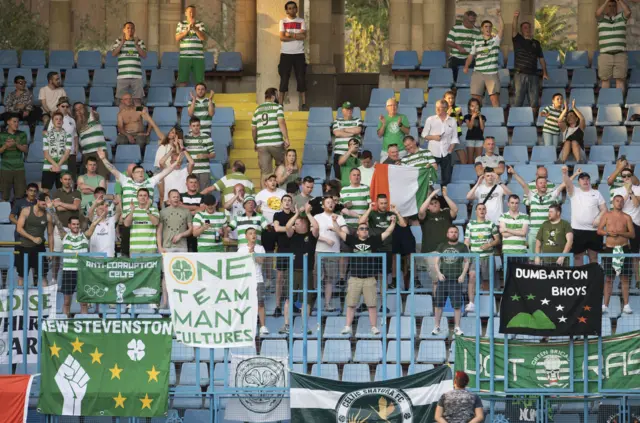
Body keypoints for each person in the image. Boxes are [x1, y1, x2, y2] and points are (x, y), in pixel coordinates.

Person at [334, 213, 396, 336]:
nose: (364, 231)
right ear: (357, 231)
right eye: (362, 229)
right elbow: (338, 231)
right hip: (355, 278)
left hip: (369, 278)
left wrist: (393, 223)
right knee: (351, 304)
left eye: (366, 229)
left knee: (372, 305)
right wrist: (335, 221)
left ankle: (373, 327)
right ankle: (347, 326)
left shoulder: (373, 241)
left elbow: (387, 233)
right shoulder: (352, 240)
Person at [97, 149, 179, 216]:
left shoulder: (150, 182)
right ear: (132, 174)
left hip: (146, 219)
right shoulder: (126, 181)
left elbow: (165, 172)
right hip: (129, 219)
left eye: (142, 171)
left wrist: (177, 162)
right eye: (138, 172)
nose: (140, 173)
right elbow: (112, 169)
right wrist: (103, 159)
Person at [51, 210, 100, 316]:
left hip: (82, 272)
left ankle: (84, 325)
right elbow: (58, 223)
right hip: (68, 273)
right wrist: (51, 209)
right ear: (69, 225)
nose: (76, 226)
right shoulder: (65, 236)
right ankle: (65, 324)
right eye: (73, 224)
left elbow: (94, 224)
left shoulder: (85, 236)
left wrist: (103, 213)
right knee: (67, 302)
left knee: (84, 303)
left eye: (77, 224)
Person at [278, 204, 318, 335]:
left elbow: (316, 227)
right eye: (296, 221)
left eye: (299, 222)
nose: (296, 223)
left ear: (305, 224)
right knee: (289, 298)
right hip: (293, 271)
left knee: (305, 300)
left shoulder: (311, 235)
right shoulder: (292, 234)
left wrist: (308, 213)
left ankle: (304, 326)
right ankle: (286, 325)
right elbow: (288, 227)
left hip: (307, 272)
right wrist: (295, 214)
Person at [509, 166, 565, 253]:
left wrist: (571, 174)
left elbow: (563, 185)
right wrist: (514, 173)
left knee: (546, 257)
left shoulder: (551, 196)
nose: (543, 184)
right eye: (541, 182)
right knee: (532, 257)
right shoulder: (532, 196)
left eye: (545, 182)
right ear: (536, 185)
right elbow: (523, 184)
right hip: (534, 230)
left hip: (548, 230)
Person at [359, 196, 407, 289]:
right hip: (373, 247)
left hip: (387, 248)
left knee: (383, 275)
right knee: (372, 275)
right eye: (381, 203)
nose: (384, 205)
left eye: (385, 203)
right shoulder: (372, 213)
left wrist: (396, 212)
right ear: (377, 203)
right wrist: (369, 209)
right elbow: (361, 221)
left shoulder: (391, 214)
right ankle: (370, 298)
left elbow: (403, 224)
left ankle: (383, 300)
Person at [598, 194, 635, 314]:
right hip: (609, 250)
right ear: (613, 202)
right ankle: (605, 305)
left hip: (623, 249)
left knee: (625, 278)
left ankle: (626, 305)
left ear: (623, 204)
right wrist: (608, 233)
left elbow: (632, 234)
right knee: (609, 278)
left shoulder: (627, 217)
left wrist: (620, 233)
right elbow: (599, 230)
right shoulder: (607, 215)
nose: (619, 203)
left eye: (621, 201)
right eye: (617, 201)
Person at [564, 167, 607, 264]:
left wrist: (598, 218)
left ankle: (594, 279)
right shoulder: (574, 191)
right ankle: (579, 279)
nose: (585, 181)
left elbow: (604, 209)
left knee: (594, 257)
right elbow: (567, 183)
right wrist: (566, 174)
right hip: (578, 230)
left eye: (587, 179)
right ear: (578, 182)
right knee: (578, 257)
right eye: (583, 179)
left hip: (594, 231)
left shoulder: (596, 193)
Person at [433, 226, 470, 336]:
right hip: (443, 279)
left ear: (458, 234)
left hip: (456, 279)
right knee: (438, 304)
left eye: (455, 232)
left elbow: (467, 262)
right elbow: (436, 262)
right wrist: (439, 274)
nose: (453, 234)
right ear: (447, 234)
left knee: (457, 305)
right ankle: (436, 326)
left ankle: (457, 327)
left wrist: (463, 275)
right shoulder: (442, 246)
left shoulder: (463, 246)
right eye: (451, 232)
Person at [418, 188, 458, 289]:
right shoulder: (425, 216)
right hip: (431, 251)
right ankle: (437, 304)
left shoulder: (445, 213)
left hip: (447, 251)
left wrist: (445, 196)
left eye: (436, 202)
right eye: (431, 203)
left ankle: (448, 304)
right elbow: (421, 210)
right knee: (436, 280)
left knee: (450, 279)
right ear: (428, 206)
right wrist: (430, 196)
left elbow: (455, 210)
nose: (434, 204)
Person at [314, 196, 349, 312]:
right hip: (319, 251)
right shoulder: (317, 217)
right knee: (317, 278)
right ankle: (314, 303)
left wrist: (335, 228)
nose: (330, 204)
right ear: (323, 205)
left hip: (334, 252)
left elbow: (346, 233)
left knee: (330, 279)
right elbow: (313, 234)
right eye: (328, 202)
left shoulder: (339, 218)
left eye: (332, 202)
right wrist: (325, 239)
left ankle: (327, 304)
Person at [464, 10, 504, 108]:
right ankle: (478, 121)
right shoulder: (476, 41)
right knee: (476, 100)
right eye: (486, 26)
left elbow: (502, 29)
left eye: (490, 27)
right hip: (478, 73)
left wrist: (499, 16)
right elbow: (470, 55)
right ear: (482, 29)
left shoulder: (495, 41)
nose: (488, 28)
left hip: (492, 73)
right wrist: (466, 66)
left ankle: (497, 121)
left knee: (494, 99)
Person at [464, 203, 499, 313]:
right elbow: (466, 242)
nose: (482, 211)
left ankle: (487, 304)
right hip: (475, 257)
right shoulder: (470, 225)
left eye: (483, 209)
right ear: (475, 212)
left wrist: (489, 245)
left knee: (486, 281)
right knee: (472, 276)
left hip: (487, 257)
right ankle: (471, 303)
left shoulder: (490, 224)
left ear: (486, 211)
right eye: (479, 209)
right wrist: (467, 255)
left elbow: (497, 240)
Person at [252, 88, 290, 186]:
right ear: (273, 97)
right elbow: (281, 122)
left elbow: (253, 129)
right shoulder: (277, 107)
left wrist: (256, 142)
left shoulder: (257, 109)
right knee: (282, 163)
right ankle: (278, 185)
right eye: (277, 96)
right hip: (276, 142)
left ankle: (265, 195)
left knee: (265, 172)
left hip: (262, 144)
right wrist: (286, 138)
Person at [512, 10, 548, 111]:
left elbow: (541, 58)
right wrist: (515, 17)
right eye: (525, 28)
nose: (527, 29)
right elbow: (513, 28)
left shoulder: (536, 43)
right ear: (521, 30)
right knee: (518, 100)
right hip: (520, 74)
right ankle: (516, 121)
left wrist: (545, 72)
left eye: (529, 27)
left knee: (534, 101)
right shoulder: (517, 39)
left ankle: (532, 122)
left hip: (533, 74)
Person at [15, 193, 54, 287]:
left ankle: (45, 300)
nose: (45, 206)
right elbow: (19, 229)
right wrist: (33, 238)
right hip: (24, 247)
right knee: (22, 276)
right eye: (43, 204)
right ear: (38, 201)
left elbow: (50, 234)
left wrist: (51, 251)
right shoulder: (26, 211)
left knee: (43, 276)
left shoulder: (48, 215)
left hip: (39, 249)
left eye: (47, 205)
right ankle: (21, 299)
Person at [50, 173, 82, 284]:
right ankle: (54, 279)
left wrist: (62, 203)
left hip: (74, 229)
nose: (67, 181)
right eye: (65, 179)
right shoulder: (56, 192)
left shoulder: (77, 192)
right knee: (57, 255)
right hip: (60, 227)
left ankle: (77, 279)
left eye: (69, 179)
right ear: (61, 180)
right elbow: (58, 208)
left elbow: (75, 207)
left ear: (72, 180)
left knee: (75, 255)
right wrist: (69, 206)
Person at [237, 227, 269, 336]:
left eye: (254, 233)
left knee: (260, 303)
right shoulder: (241, 250)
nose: (253, 235)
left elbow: (261, 261)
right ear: (246, 236)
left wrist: (253, 253)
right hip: (245, 280)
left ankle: (263, 326)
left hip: (258, 279)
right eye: (250, 233)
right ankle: (246, 327)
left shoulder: (260, 248)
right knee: (245, 304)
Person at [421, 99, 459, 185]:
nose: (437, 109)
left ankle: (445, 196)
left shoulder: (452, 120)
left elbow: (455, 137)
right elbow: (424, 135)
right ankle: (431, 195)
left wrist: (451, 148)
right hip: (433, 152)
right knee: (430, 176)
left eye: (440, 108)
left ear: (446, 109)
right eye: (436, 107)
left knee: (446, 178)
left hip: (446, 152)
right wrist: (433, 137)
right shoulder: (430, 119)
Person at [278, 1, 307, 109]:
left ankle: (304, 104)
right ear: (286, 10)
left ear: (296, 9)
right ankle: (280, 104)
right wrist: (296, 36)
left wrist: (290, 34)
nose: (292, 10)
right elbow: (282, 38)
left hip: (299, 54)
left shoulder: (301, 21)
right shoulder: (283, 21)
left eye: (293, 8)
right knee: (284, 78)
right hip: (286, 54)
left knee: (301, 78)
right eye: (289, 8)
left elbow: (303, 36)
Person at [596, 0, 631, 91]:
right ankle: (606, 103)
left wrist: (619, 0)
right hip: (605, 55)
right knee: (605, 80)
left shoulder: (621, 17)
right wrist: (606, 1)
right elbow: (597, 13)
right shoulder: (602, 18)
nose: (612, 8)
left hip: (620, 54)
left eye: (614, 6)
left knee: (620, 80)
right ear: (606, 7)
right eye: (609, 6)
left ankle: (619, 103)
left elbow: (628, 12)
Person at [111, 21, 147, 104]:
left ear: (134, 30)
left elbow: (144, 55)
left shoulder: (139, 41)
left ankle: (139, 116)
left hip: (137, 76)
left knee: (138, 100)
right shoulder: (118, 41)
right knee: (121, 100)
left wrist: (136, 45)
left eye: (132, 28)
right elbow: (113, 54)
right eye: (128, 28)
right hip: (122, 76)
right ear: (124, 30)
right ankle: (121, 117)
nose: (130, 30)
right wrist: (122, 43)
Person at [272, 194, 295, 317]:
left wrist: (286, 228)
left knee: (292, 278)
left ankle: (291, 303)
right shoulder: (277, 215)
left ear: (292, 203)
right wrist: (290, 228)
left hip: (294, 250)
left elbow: (298, 229)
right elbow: (276, 228)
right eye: (284, 200)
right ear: (281, 203)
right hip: (281, 249)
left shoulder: (294, 215)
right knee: (280, 278)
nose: (287, 202)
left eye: (289, 200)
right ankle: (277, 305)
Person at [74, 103, 109, 180]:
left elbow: (96, 116)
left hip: (100, 151)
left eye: (80, 108)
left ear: (85, 108)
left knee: (102, 176)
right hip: (86, 153)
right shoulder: (76, 123)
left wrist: (94, 113)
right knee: (89, 178)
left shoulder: (91, 115)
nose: (79, 111)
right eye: (76, 110)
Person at [175, 5, 207, 86]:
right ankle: (182, 98)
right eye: (190, 12)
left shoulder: (200, 24)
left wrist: (195, 28)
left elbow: (203, 38)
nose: (191, 14)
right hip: (184, 57)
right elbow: (177, 38)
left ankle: (199, 98)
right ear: (186, 13)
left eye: (193, 12)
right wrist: (187, 30)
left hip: (198, 57)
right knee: (182, 81)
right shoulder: (181, 24)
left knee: (200, 81)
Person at [41, 112, 72, 194]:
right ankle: (46, 206)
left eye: (60, 119)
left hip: (63, 166)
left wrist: (58, 166)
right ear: (52, 121)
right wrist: (56, 165)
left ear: (63, 121)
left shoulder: (68, 135)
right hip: (48, 166)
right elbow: (46, 154)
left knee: (63, 190)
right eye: (56, 119)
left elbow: (67, 153)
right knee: (46, 190)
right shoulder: (46, 134)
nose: (58, 121)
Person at [48, 97, 78, 180]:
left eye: (67, 106)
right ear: (58, 106)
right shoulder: (53, 119)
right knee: (60, 177)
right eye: (62, 106)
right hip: (59, 152)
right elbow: (49, 135)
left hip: (71, 152)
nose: (65, 108)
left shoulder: (72, 120)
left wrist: (76, 147)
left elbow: (75, 135)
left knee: (71, 175)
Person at [332, 101, 363, 180]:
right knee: (340, 178)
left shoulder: (357, 120)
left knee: (356, 177)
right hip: (340, 153)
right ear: (342, 110)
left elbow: (358, 130)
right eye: (347, 109)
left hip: (355, 153)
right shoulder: (337, 121)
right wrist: (352, 134)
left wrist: (344, 129)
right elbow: (337, 133)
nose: (350, 110)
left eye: (351, 109)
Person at [446, 10, 480, 82]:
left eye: (474, 21)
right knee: (452, 66)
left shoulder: (477, 31)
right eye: (471, 21)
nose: (473, 24)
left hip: (470, 58)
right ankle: (454, 85)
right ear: (465, 20)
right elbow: (448, 41)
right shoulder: (455, 28)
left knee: (477, 68)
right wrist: (458, 47)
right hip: (456, 57)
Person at [0, 115, 28, 201]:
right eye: (14, 121)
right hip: (5, 168)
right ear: (8, 122)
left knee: (20, 195)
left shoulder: (22, 134)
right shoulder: (1, 135)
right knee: (4, 195)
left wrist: (16, 144)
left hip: (19, 168)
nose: (16, 124)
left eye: (17, 122)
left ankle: (18, 213)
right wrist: (5, 146)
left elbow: (25, 149)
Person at [124, 188, 160, 255]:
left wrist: (147, 210)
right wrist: (132, 211)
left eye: (145, 195)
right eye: (140, 195)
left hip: (150, 249)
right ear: (137, 198)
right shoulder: (131, 210)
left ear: (148, 198)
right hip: (135, 249)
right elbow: (126, 224)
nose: (142, 197)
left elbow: (156, 222)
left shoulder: (154, 210)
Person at [157, 189, 193, 253]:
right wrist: (159, 247)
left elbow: (191, 230)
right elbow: (159, 231)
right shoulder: (162, 212)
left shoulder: (186, 211)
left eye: (177, 197)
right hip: (167, 247)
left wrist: (181, 235)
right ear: (169, 199)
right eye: (174, 197)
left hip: (182, 247)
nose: (176, 198)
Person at [183, 116, 215, 189]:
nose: (196, 127)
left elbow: (213, 154)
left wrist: (205, 155)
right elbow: (182, 151)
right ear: (190, 126)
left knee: (204, 193)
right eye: (193, 126)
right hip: (191, 170)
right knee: (192, 193)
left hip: (204, 170)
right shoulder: (186, 138)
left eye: (197, 125)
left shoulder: (207, 137)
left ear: (200, 126)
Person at [499, 195, 529, 269]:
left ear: (519, 204)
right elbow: (504, 234)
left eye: (516, 203)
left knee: (521, 279)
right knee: (508, 278)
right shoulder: (503, 216)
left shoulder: (525, 216)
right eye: (512, 203)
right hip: (507, 252)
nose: (514, 205)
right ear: (508, 204)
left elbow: (523, 233)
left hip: (521, 252)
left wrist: (507, 229)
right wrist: (518, 231)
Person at [377, 98, 410, 163]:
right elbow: (379, 135)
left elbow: (407, 132)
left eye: (395, 105)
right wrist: (383, 124)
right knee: (384, 171)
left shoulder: (403, 117)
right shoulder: (383, 118)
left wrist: (400, 125)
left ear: (397, 107)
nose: (393, 107)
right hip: (386, 151)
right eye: (390, 105)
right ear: (386, 108)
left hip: (400, 151)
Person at [556, 100, 588, 164]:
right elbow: (559, 121)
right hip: (566, 155)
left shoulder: (580, 128)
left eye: (571, 115)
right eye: (567, 116)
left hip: (580, 155)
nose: (568, 117)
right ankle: (561, 162)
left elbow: (582, 119)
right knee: (567, 142)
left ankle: (579, 162)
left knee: (574, 141)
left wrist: (574, 108)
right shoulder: (565, 129)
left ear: (576, 118)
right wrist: (565, 110)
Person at [444, 91, 466, 165]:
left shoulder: (457, 109)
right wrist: (448, 114)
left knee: (462, 154)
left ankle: (464, 170)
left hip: (456, 135)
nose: (451, 100)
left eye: (452, 98)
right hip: (445, 136)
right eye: (449, 98)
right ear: (444, 99)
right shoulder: (441, 108)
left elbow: (460, 123)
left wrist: (457, 115)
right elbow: (441, 123)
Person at [463, 98, 486, 164]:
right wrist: (473, 117)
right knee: (470, 159)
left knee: (478, 159)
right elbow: (470, 127)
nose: (475, 107)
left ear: (479, 106)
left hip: (479, 138)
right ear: (469, 107)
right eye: (472, 106)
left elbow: (482, 128)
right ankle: (470, 173)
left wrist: (480, 117)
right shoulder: (467, 116)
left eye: (476, 105)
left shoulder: (483, 117)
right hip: (470, 138)